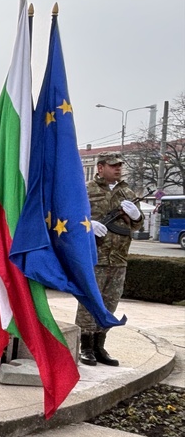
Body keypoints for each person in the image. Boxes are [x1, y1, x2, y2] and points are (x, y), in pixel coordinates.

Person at [76, 153, 142, 367]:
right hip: (95, 257)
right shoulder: (86, 190)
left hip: (119, 258)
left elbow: (137, 226)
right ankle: (85, 346)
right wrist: (89, 225)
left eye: (120, 166)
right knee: (89, 302)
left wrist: (136, 217)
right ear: (100, 167)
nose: (118, 169)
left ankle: (99, 345)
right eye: (113, 166)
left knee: (110, 303)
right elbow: (71, 217)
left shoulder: (127, 191)